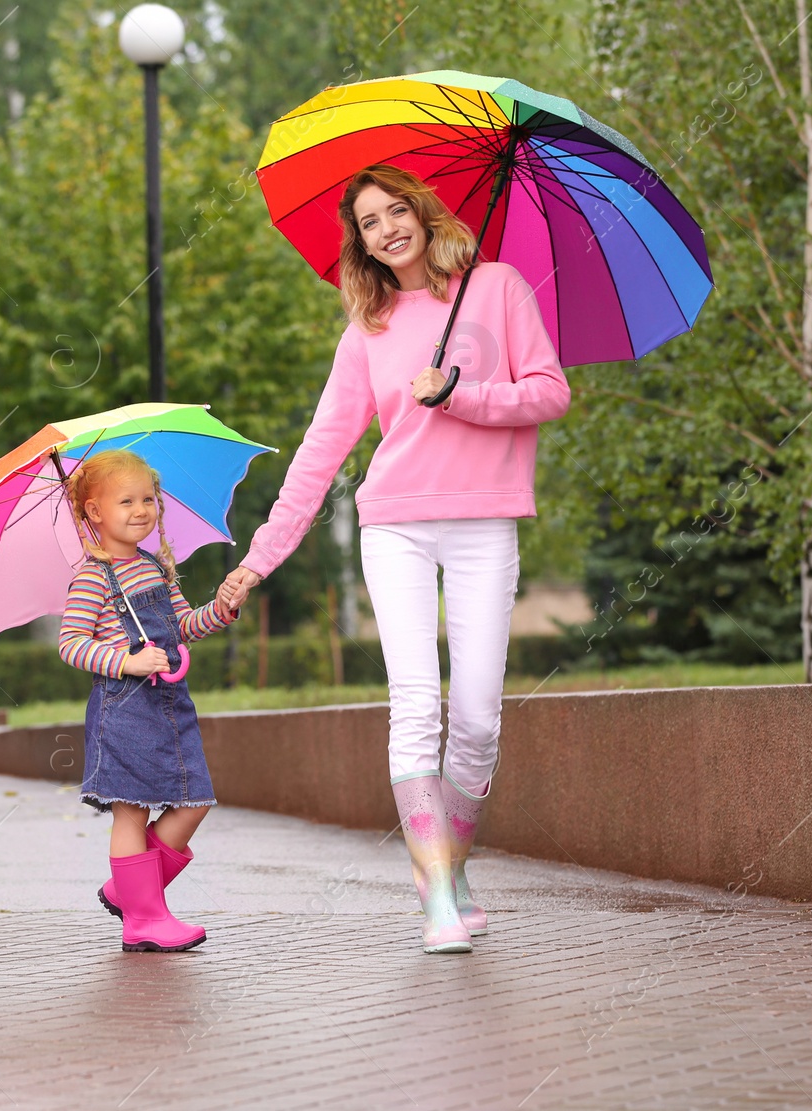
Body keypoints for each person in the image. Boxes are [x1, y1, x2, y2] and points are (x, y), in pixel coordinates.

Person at [219, 164, 570, 955]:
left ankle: (449, 865)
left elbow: (550, 392)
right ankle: (438, 894)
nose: (386, 229)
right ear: (362, 244)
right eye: (369, 223)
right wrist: (258, 559)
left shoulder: (500, 288)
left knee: (476, 719)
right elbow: (319, 455)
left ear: (423, 211)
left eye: (395, 210)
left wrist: (463, 395)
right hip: (396, 527)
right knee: (415, 703)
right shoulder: (366, 331)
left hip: (485, 523)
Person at [58, 449, 247, 952]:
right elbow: (71, 643)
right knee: (131, 814)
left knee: (194, 804)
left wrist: (221, 611)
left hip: (171, 707)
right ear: (94, 512)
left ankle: (129, 891)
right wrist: (126, 661)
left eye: (148, 499)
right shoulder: (93, 577)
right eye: (126, 501)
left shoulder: (154, 568)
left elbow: (184, 626)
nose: (141, 510)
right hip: (123, 711)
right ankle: (143, 918)